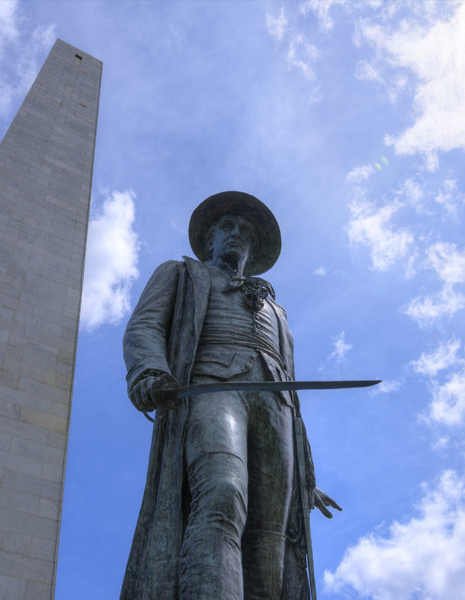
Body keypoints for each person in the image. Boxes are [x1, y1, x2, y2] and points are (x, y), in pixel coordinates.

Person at [121, 191, 339, 599]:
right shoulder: (181, 273)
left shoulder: (277, 310)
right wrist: (150, 372)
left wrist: (307, 476)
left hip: (274, 406)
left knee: (271, 532)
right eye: (227, 227)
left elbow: (294, 399)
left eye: (245, 231)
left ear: (253, 249)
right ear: (210, 241)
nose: (236, 234)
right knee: (221, 490)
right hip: (212, 388)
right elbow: (144, 327)